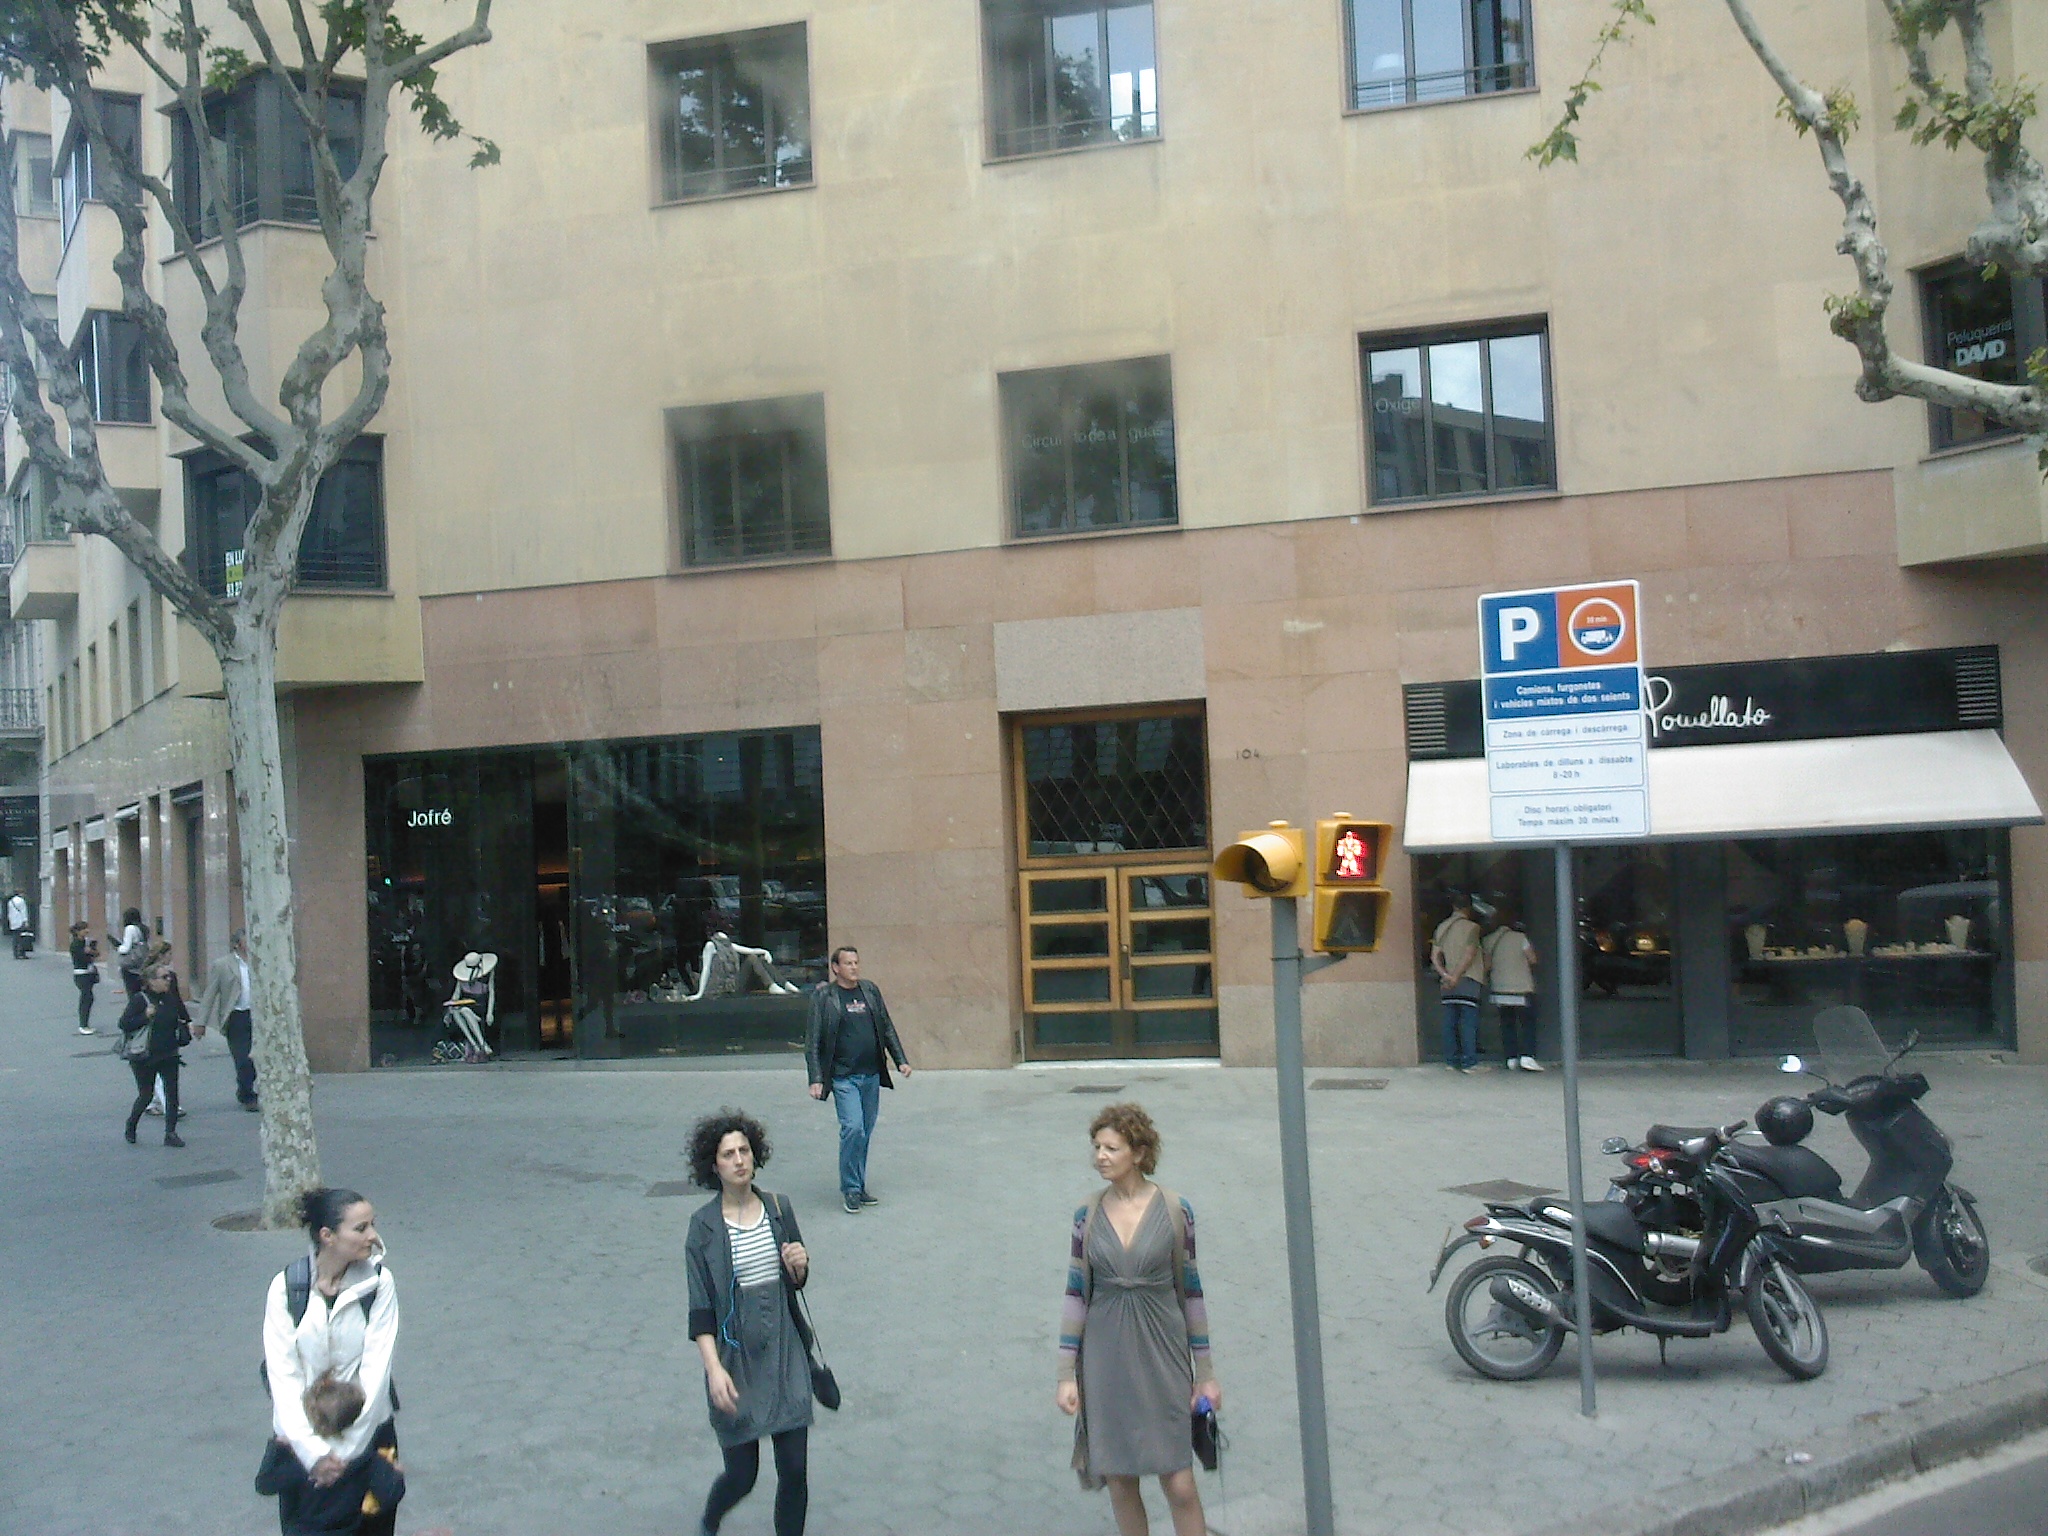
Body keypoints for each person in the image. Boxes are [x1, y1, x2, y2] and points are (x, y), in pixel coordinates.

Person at [1055, 1102, 1220, 1536]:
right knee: (1120, 1481)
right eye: (1097, 1147)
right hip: (1105, 1357)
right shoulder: (1087, 1215)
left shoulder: (1175, 1209)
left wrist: (1205, 1373)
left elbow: (1192, 1292)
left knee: (1179, 1482)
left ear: (1140, 1153)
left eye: (1111, 1148)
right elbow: (1075, 1293)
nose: (1100, 1156)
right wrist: (1066, 1374)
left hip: (1163, 1352)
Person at [684, 1110, 812, 1536]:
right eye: (728, 1154)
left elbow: (797, 1281)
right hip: (735, 1360)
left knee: (794, 1470)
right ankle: (710, 1520)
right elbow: (701, 1310)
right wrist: (714, 1370)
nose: (739, 1160)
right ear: (714, 1165)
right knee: (743, 1475)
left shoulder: (778, 1208)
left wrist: (800, 1265)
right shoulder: (703, 1227)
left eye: (744, 1150)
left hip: (785, 1353)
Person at [260, 1188, 401, 1536]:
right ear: (327, 1235)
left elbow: (376, 1373)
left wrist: (345, 1456)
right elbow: (284, 1377)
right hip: (302, 1442)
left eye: (373, 1225)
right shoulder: (287, 1288)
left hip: (369, 1437)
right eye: (361, 1228)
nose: (373, 1236)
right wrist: (314, 1455)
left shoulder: (378, 1284)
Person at [803, 945, 911, 1215]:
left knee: (864, 1131)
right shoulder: (825, 997)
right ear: (835, 968)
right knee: (852, 1128)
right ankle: (850, 1188)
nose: (854, 967)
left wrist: (900, 1060)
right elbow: (813, 1040)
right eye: (848, 963)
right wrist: (816, 1078)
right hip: (843, 1077)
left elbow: (886, 1026)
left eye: (856, 962)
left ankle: (859, 1186)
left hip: (871, 1075)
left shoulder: (869, 991)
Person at [121, 963, 196, 1147]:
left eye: (169, 976)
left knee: (172, 1094)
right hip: (145, 1056)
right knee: (146, 1095)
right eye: (164, 977)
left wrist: (187, 1027)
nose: (168, 980)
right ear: (151, 981)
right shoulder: (140, 1000)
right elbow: (124, 1024)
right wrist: (145, 1016)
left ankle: (170, 1133)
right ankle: (131, 1125)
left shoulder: (170, 997)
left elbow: (182, 1015)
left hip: (169, 1053)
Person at [198, 929, 261, 1111]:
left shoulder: (260, 962)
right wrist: (201, 1022)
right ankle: (246, 1093)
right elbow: (210, 994)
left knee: (258, 1058)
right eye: (246, 940)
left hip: (257, 1016)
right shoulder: (223, 965)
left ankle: (247, 1087)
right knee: (243, 1059)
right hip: (236, 1017)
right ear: (237, 944)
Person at [1431, 893, 1488, 1074]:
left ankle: (1451, 1060)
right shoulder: (1472, 928)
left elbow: (1434, 956)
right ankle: (1469, 1062)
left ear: (1454, 907)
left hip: (1447, 982)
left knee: (1449, 1022)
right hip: (1468, 980)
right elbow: (1469, 955)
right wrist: (1456, 976)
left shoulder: (1442, 927)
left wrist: (1445, 975)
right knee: (1468, 1022)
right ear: (1468, 908)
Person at [1482, 910, 1543, 1073]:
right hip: (1521, 989)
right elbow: (1533, 959)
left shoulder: (1488, 940)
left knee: (1507, 1023)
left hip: (1500, 990)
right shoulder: (1521, 938)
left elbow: (1487, 966)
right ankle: (1527, 1056)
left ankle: (1511, 1057)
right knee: (1527, 1023)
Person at [69, 920, 100, 1034]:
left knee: (88, 998)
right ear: (77, 931)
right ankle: (83, 1025)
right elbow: (82, 959)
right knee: (86, 998)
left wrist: (91, 951)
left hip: (89, 973)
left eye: (87, 928)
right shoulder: (75, 944)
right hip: (81, 974)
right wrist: (88, 953)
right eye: (83, 929)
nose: (87, 930)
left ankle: (85, 1024)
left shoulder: (86, 942)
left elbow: (96, 954)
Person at [113, 907, 148, 997]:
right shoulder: (142, 928)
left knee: (132, 992)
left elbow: (126, 948)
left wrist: (118, 948)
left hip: (130, 965)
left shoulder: (130, 928)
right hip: (140, 963)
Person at [7, 889, 29, 957]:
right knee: (22, 938)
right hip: (20, 921)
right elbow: (23, 911)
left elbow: (10, 912)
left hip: (13, 922)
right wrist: (25, 921)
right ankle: (22, 953)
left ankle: (15, 953)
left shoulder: (10, 901)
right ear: (20, 893)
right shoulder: (21, 901)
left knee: (15, 938)